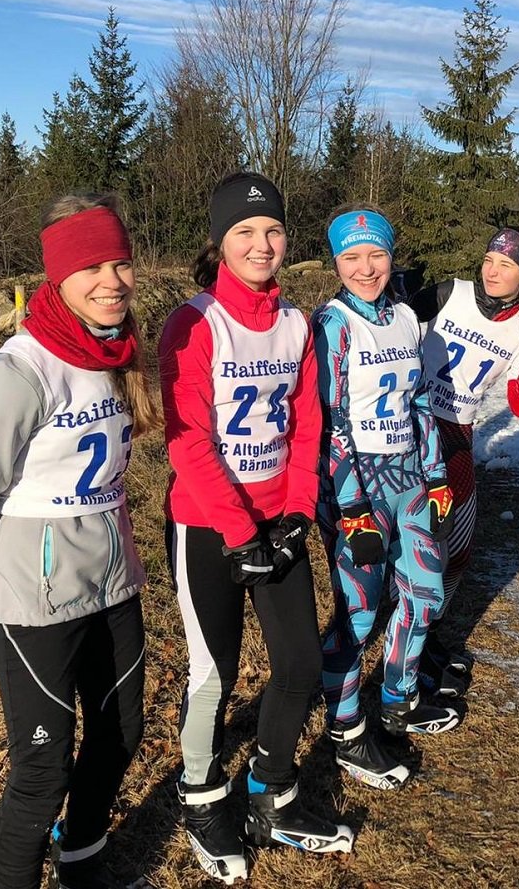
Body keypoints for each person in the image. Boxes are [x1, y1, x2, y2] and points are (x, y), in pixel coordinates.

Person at [0, 194, 158, 889]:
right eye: (91, 265)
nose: (112, 279)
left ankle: (83, 859)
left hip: (113, 584)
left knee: (121, 734)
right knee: (42, 771)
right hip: (35, 603)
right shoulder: (18, 370)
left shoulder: (118, 352)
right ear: (56, 278)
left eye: (121, 262)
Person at [159, 172, 353, 884]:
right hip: (210, 525)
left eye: (271, 230)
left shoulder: (297, 323)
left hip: (279, 521)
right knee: (216, 673)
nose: (261, 243)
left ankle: (271, 792)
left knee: (300, 662)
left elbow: (307, 422)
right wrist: (240, 530)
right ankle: (203, 796)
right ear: (220, 243)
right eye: (244, 232)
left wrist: (299, 507)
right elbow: (187, 441)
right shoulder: (195, 321)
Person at [313, 206, 460, 791]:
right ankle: (344, 723)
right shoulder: (334, 323)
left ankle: (398, 698)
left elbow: (421, 401)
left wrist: (437, 472)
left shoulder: (406, 319)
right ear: (336, 262)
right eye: (351, 257)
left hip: (410, 481)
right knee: (359, 612)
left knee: (425, 595)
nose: (365, 268)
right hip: (358, 487)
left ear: (391, 255)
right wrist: (348, 507)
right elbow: (329, 422)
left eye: (376, 254)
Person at [408, 226, 519, 697]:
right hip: (412, 422)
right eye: (490, 258)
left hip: (459, 434)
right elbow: (391, 326)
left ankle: (425, 638)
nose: (492, 270)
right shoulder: (452, 293)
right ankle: (399, 636)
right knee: (409, 538)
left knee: (456, 548)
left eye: (506, 264)